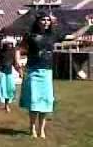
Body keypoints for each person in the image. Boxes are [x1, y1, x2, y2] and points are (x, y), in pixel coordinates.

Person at [18, 10, 76, 139]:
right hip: (33, 70)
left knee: (46, 101)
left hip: (47, 72)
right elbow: (18, 48)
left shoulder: (52, 35)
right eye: (43, 20)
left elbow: (74, 36)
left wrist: (88, 25)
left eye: (48, 20)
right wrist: (18, 65)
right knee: (34, 101)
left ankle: (42, 129)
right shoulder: (30, 35)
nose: (46, 22)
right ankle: (32, 127)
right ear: (37, 21)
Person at [0, 37, 21, 112]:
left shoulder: (13, 52)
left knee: (9, 89)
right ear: (4, 44)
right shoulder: (1, 51)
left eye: (11, 44)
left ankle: (6, 105)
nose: (9, 45)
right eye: (8, 43)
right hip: (1, 72)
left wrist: (20, 72)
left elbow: (15, 63)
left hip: (9, 73)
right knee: (0, 88)